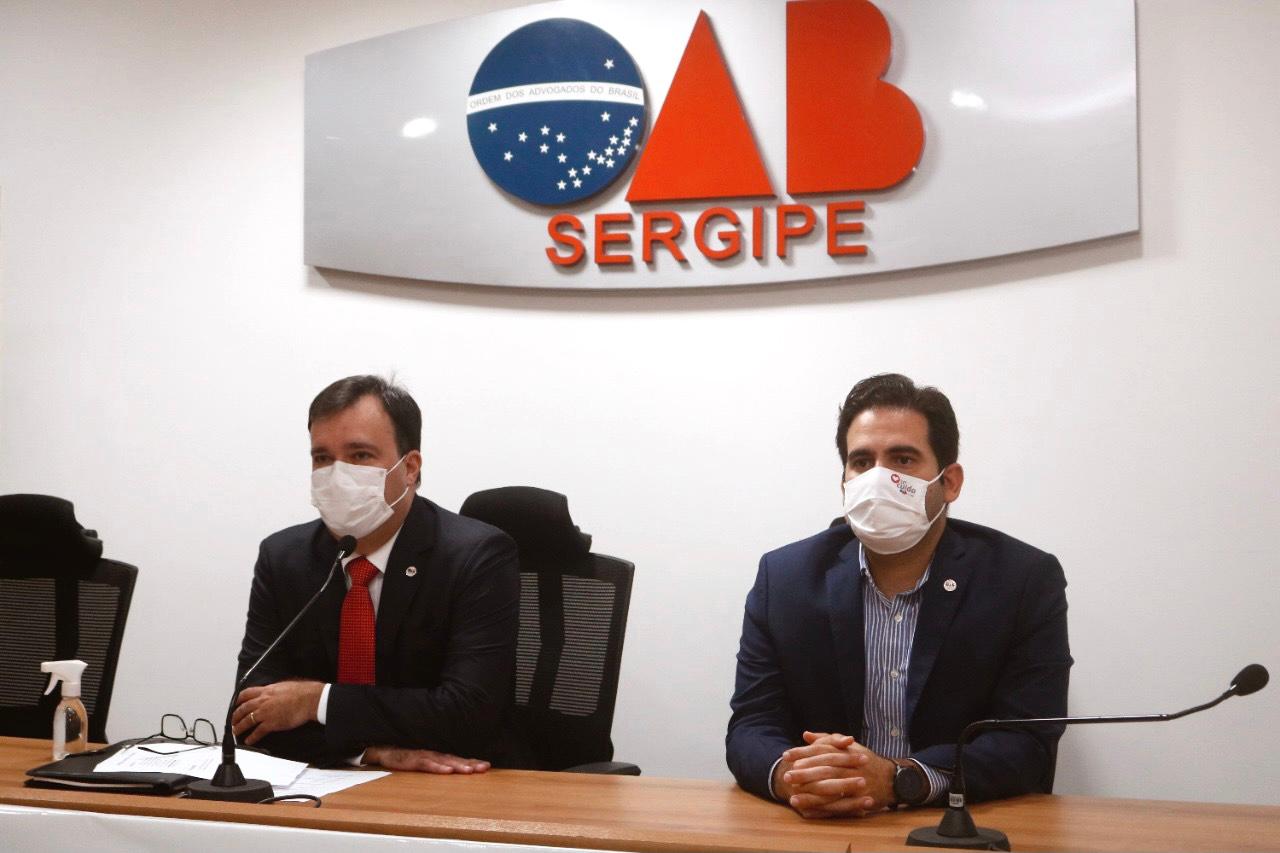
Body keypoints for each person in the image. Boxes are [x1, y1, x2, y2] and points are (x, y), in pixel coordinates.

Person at [726, 374, 1071, 817]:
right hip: (819, 825)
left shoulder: (1022, 580)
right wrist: (795, 774)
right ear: (844, 482)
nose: (879, 478)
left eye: (903, 459)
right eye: (861, 461)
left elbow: (1028, 741)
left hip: (954, 827)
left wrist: (899, 779)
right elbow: (751, 725)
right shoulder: (784, 578)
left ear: (949, 482)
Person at [231, 375, 520, 772]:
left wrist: (316, 701)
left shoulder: (476, 556)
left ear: (410, 468)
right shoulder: (283, 558)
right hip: (329, 782)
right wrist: (371, 753)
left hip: (457, 784)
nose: (337, 475)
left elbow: (467, 714)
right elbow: (251, 716)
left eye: (360, 455)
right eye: (322, 458)